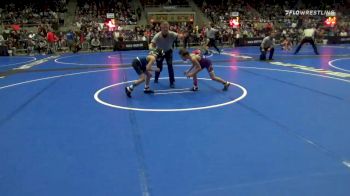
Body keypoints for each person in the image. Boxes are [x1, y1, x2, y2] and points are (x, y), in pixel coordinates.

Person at [149, 21, 179, 88]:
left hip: (169, 51)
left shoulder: (172, 34)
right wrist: (152, 49)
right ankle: (156, 78)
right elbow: (151, 44)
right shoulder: (157, 35)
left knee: (170, 66)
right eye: (164, 27)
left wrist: (183, 36)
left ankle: (171, 81)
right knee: (159, 67)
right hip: (160, 52)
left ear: (169, 27)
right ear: (161, 28)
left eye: (167, 27)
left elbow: (179, 36)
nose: (165, 29)